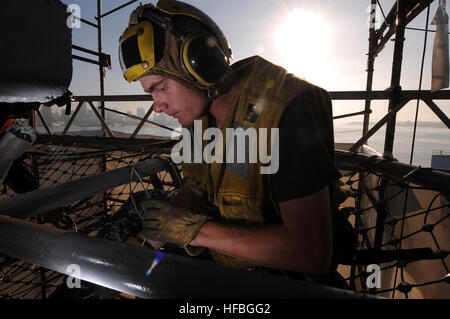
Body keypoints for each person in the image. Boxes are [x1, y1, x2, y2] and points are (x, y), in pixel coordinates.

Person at [118, 0, 348, 281]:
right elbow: (196, 189)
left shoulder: (288, 107)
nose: (157, 106)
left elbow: (311, 251)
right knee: (136, 209)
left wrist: (195, 230)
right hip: (226, 256)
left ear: (199, 63)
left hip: (285, 278)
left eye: (160, 88)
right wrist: (149, 240)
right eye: (150, 94)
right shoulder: (197, 120)